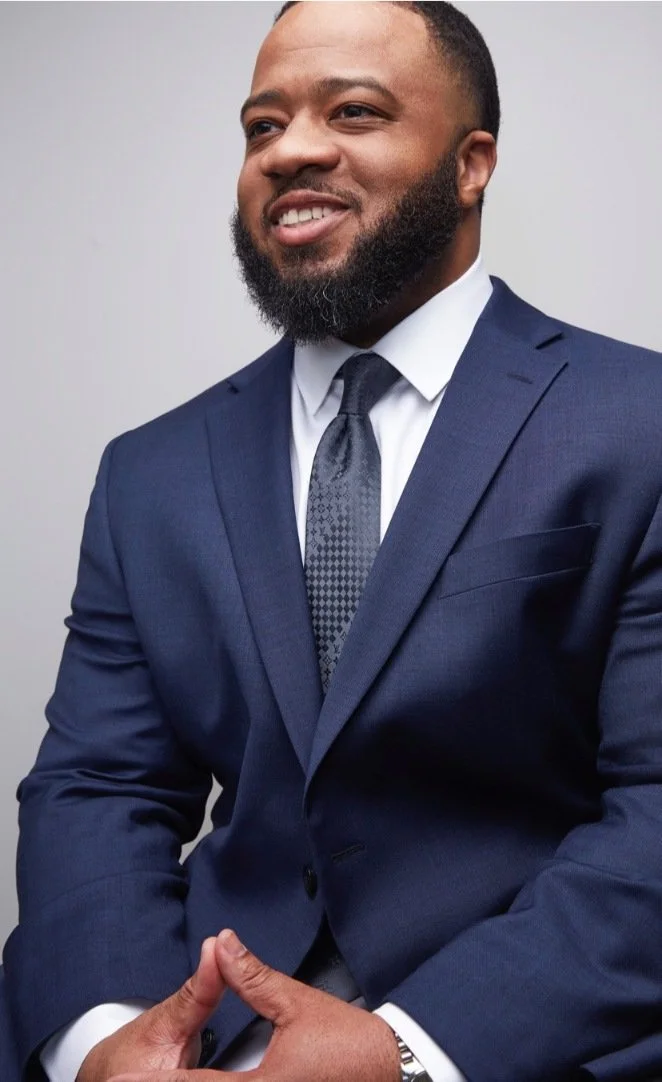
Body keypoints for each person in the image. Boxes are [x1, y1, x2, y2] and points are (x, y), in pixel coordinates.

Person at [4, 2, 662, 1081]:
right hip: (205, 1038)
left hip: (522, 1041)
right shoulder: (151, 471)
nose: (291, 149)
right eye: (261, 127)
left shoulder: (636, 422)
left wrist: (405, 1048)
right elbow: (99, 786)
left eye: (352, 111)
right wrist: (109, 1035)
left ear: (470, 163)